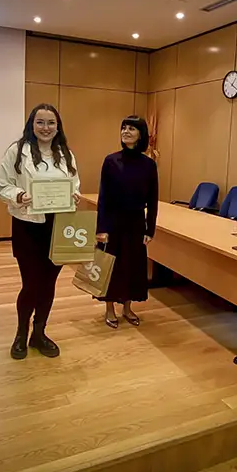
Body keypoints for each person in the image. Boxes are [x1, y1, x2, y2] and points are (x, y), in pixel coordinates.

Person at [0, 104, 81, 360]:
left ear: (58, 126)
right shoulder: (17, 151)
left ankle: (39, 333)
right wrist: (19, 195)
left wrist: (73, 195)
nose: (46, 128)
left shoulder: (66, 153)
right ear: (32, 125)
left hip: (58, 226)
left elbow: (75, 183)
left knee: (49, 284)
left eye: (51, 123)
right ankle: (21, 333)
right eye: (40, 122)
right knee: (31, 284)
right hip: (28, 225)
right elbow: (3, 185)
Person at [95, 115, 158, 328]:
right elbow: (103, 197)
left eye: (131, 128)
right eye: (123, 128)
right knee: (111, 267)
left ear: (141, 134)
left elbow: (153, 199)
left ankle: (128, 308)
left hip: (136, 223)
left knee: (133, 267)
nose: (126, 132)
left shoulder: (149, 165)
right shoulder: (111, 161)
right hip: (113, 222)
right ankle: (110, 309)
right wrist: (101, 227)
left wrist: (151, 229)